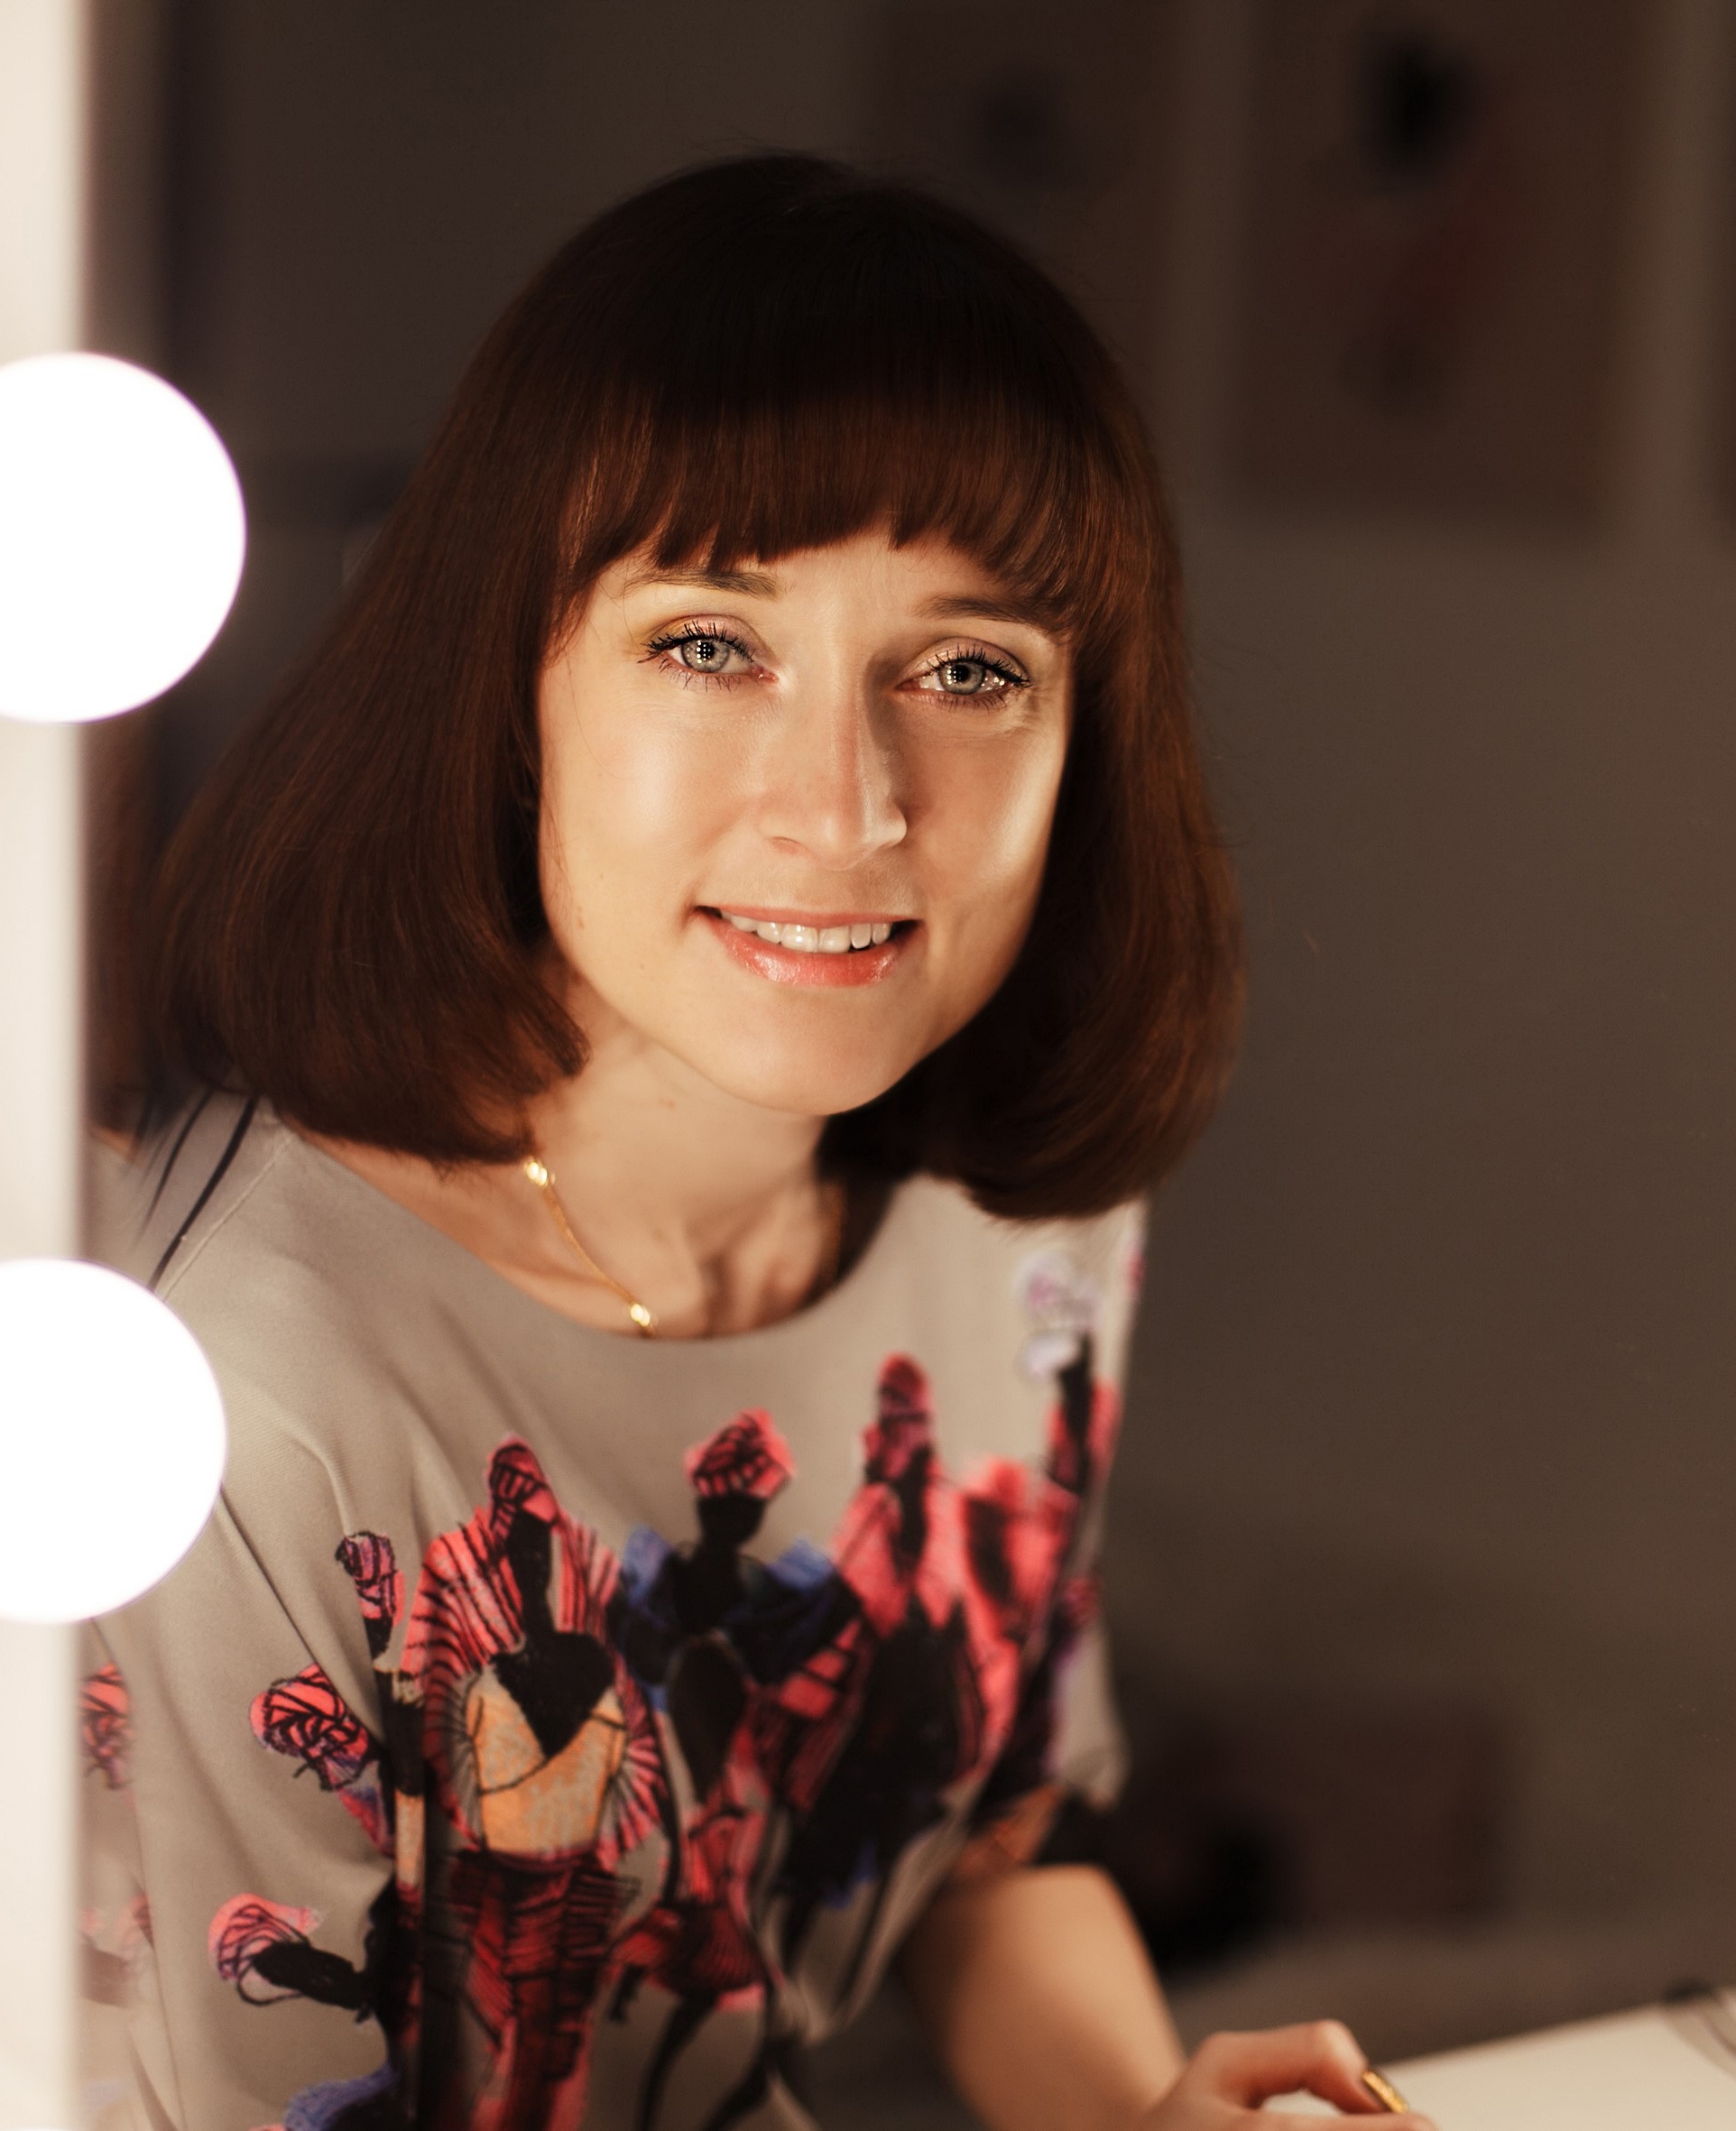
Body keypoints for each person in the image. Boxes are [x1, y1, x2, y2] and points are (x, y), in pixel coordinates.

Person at [81, 156, 1429, 2131]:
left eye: (966, 671)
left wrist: (1146, 2114)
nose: (847, 804)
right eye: (709, 642)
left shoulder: (1022, 1237)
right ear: (510, 690)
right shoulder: (232, 1383)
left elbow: (985, 1848)